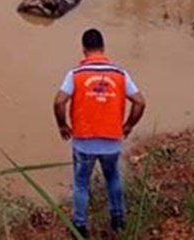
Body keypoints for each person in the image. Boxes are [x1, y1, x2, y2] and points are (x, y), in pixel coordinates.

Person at [54, 28, 146, 238]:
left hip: (84, 141)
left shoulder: (75, 74)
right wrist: (129, 125)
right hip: (111, 141)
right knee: (113, 177)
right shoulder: (120, 74)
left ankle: (79, 226)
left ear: (84, 50)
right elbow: (140, 102)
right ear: (103, 48)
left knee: (81, 183)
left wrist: (62, 125)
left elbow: (59, 101)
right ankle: (118, 220)